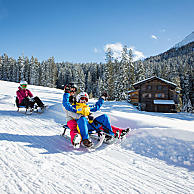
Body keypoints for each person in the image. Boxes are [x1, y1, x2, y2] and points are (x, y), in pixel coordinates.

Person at [62, 84, 129, 148]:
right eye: (82, 99)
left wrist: (102, 98)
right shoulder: (75, 107)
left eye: (85, 100)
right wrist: (67, 93)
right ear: (78, 99)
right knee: (82, 119)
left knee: (104, 117)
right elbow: (67, 105)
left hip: (90, 125)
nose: (83, 101)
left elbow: (96, 107)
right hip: (81, 126)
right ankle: (85, 140)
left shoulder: (87, 107)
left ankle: (109, 135)